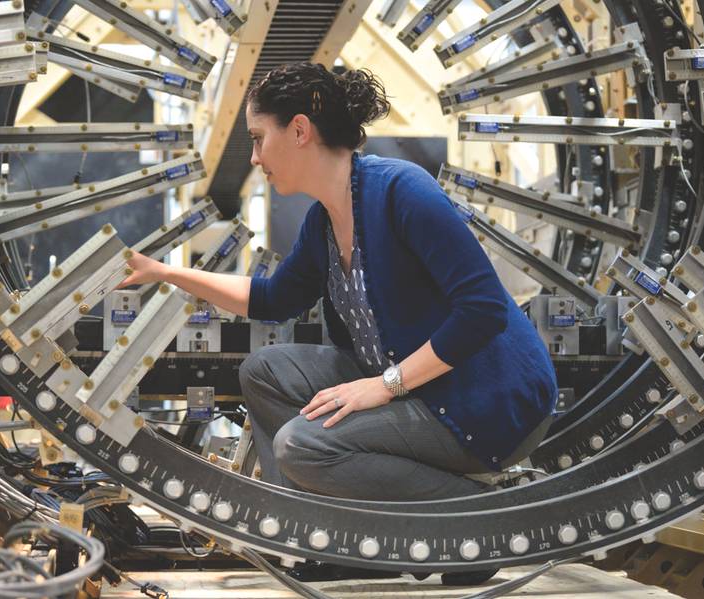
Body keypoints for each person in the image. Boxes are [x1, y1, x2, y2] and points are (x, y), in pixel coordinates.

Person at [122, 62, 557, 583]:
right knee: (266, 371)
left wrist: (385, 385)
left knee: (302, 446)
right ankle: (334, 537)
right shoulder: (324, 221)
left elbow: (483, 309)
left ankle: (479, 521)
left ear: (300, 131)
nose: (256, 157)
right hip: (420, 388)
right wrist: (165, 271)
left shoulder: (402, 191)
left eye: (260, 139)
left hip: (486, 401)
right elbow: (272, 298)